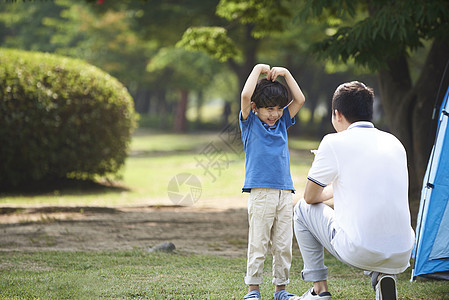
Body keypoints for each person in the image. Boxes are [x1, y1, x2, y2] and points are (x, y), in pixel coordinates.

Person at [292, 81, 415, 300]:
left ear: (337, 114)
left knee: (301, 210)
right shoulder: (394, 142)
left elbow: (310, 197)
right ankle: (383, 277)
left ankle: (319, 291)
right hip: (403, 251)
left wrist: (333, 183)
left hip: (358, 249)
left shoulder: (333, 142)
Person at [239, 64, 305, 300]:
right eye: (269, 109)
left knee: (283, 245)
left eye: (278, 108)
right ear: (255, 108)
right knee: (258, 244)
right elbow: (246, 95)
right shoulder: (250, 123)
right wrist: (257, 69)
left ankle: (281, 290)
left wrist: (286, 74)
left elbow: (299, 99)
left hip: (285, 192)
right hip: (261, 192)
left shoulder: (282, 123)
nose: (274, 113)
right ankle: (253, 290)